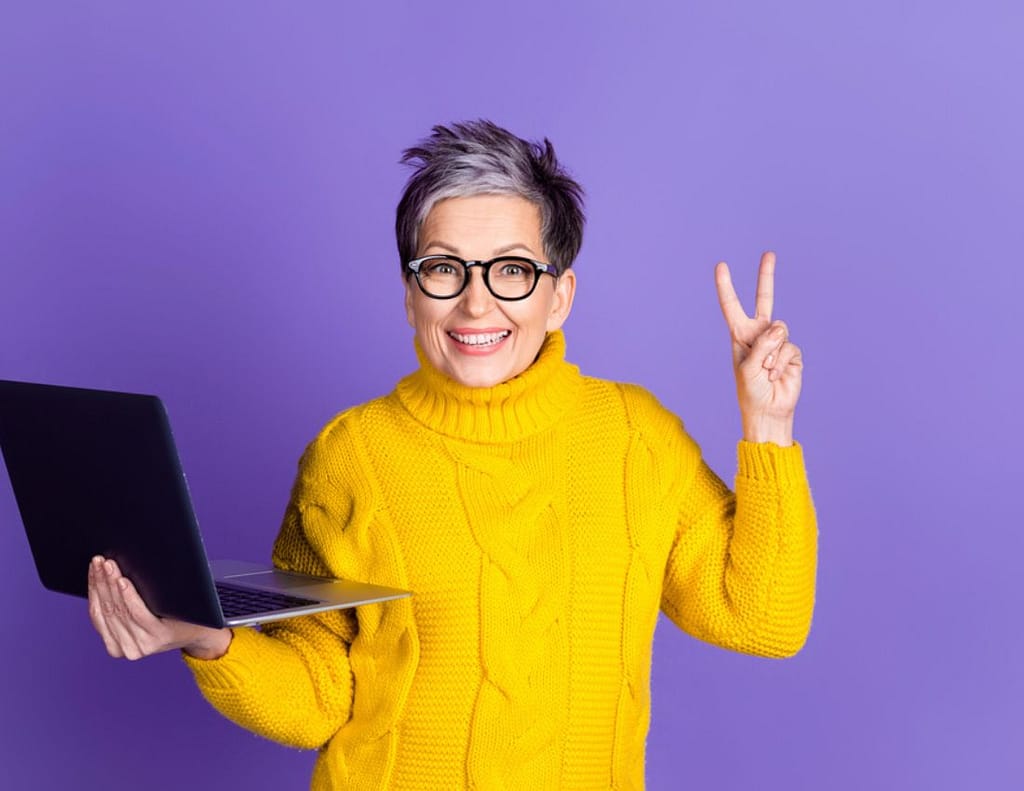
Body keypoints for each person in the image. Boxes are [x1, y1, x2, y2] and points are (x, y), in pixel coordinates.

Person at [88, 120, 817, 790]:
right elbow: (321, 693)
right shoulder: (351, 456)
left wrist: (768, 425)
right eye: (444, 269)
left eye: (510, 270)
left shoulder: (636, 439)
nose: (476, 304)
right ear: (411, 294)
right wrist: (209, 639)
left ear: (559, 296)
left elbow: (762, 619)